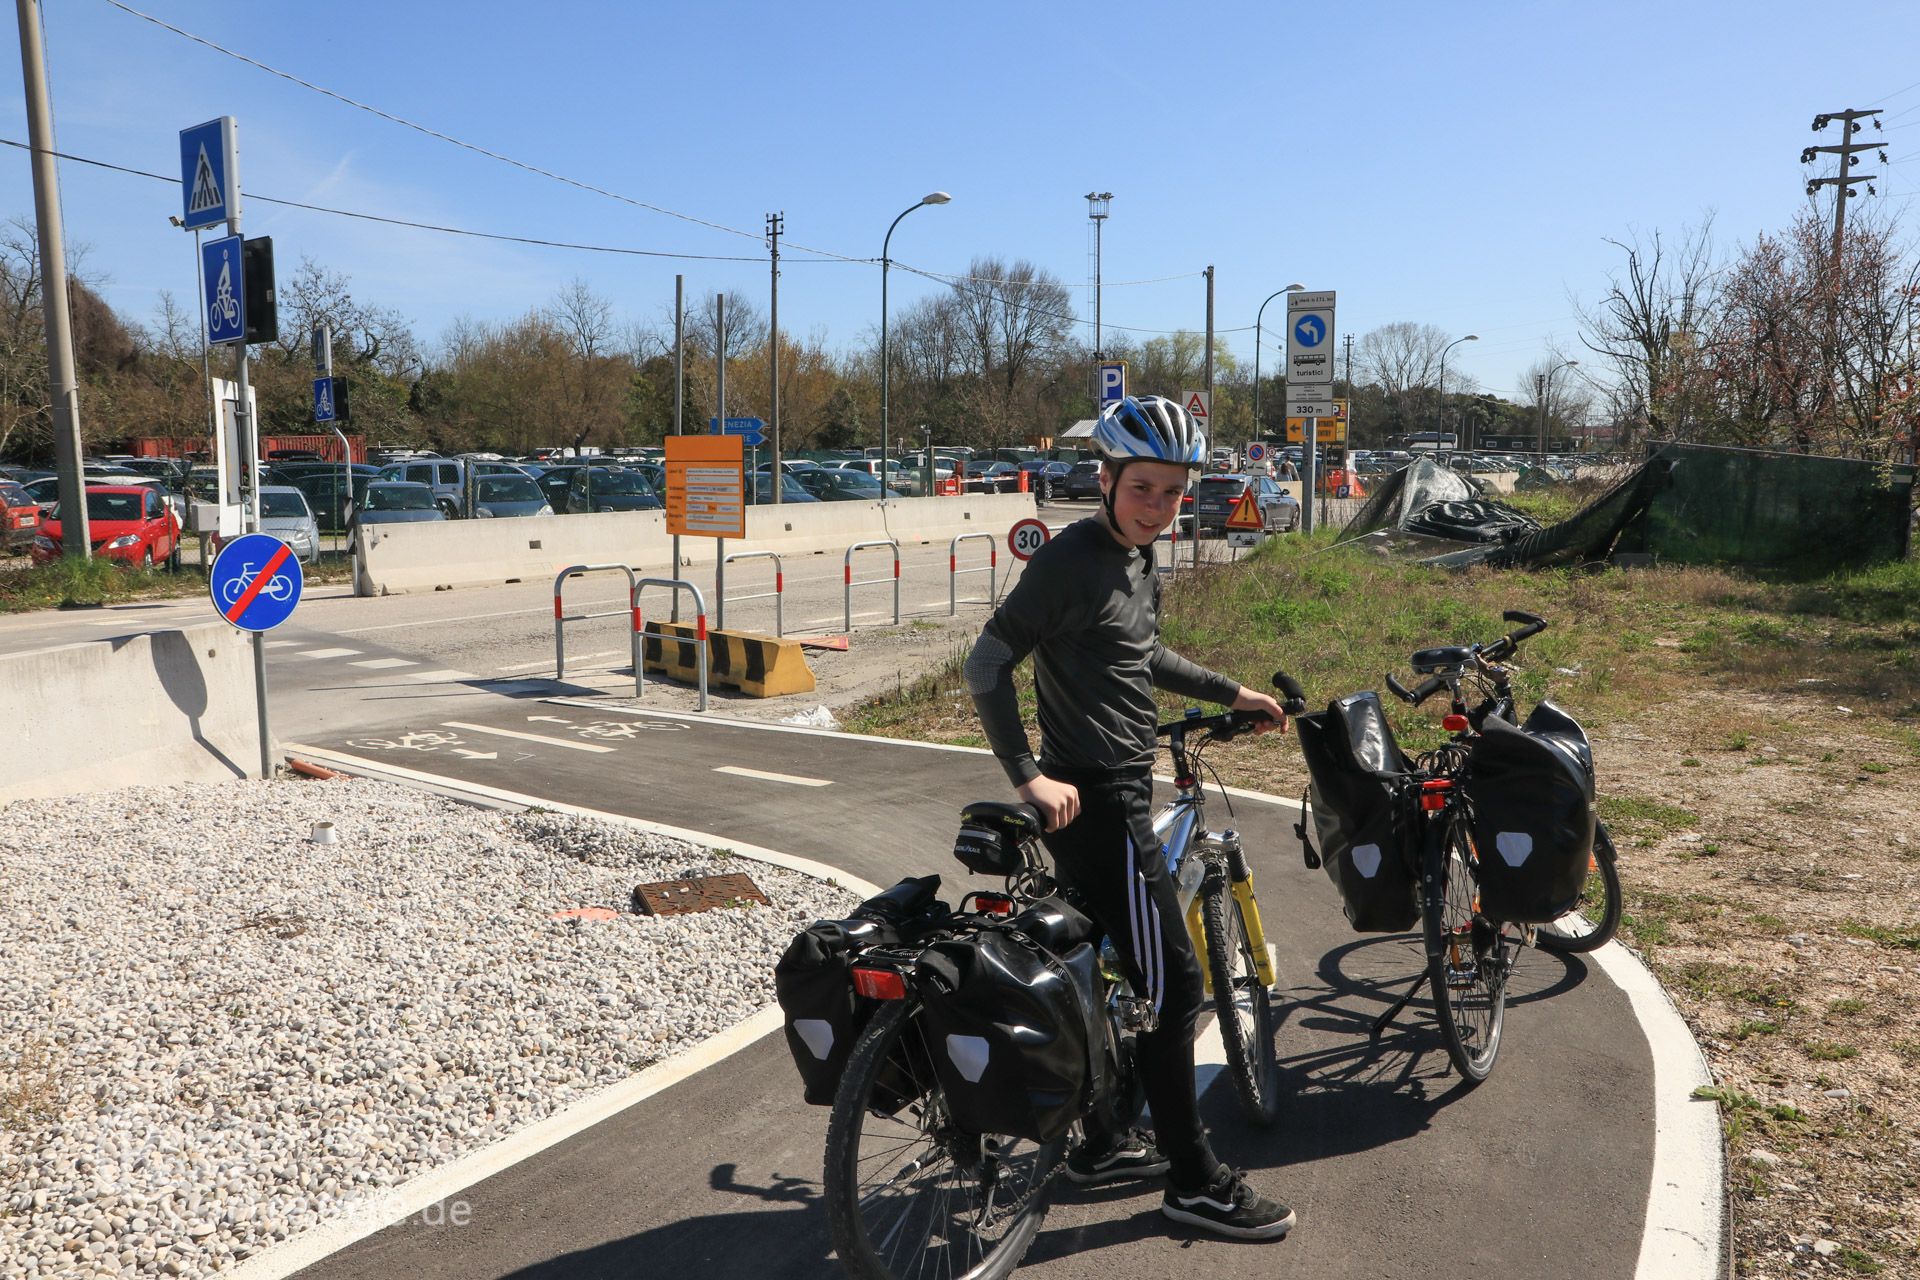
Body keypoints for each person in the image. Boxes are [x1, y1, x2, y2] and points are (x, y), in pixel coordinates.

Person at [964, 394, 1295, 1241]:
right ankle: (1194, 1181)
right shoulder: (1072, 561)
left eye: (1174, 491)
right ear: (1105, 480)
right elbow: (989, 661)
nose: (1159, 505)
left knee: (1120, 967)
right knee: (1176, 983)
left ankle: (1106, 1140)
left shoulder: (1138, 561)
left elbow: (1140, 655)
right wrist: (1027, 774)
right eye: (1143, 487)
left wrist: (1232, 692)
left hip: (1119, 788)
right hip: (1095, 801)